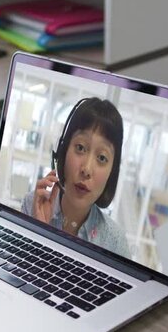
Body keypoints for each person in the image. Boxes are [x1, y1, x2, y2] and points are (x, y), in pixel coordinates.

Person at [21, 97, 131, 259]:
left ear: (111, 173)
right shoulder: (32, 205)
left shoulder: (114, 242)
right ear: (64, 151)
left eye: (102, 158)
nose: (86, 169)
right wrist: (41, 232)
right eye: (80, 148)